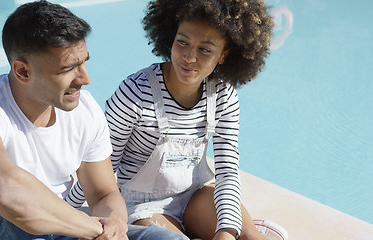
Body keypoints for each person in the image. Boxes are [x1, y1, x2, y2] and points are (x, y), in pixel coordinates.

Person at [0, 1, 190, 240]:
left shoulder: (85, 109)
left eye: (84, 63)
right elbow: (5, 192)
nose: (84, 78)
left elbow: (104, 192)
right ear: (23, 71)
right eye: (69, 68)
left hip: (65, 230)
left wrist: (112, 224)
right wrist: (93, 228)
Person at [67, 0, 288, 240]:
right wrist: (67, 211)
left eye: (205, 50)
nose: (189, 57)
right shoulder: (136, 91)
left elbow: (227, 172)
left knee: (250, 237)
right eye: (182, 42)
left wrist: (227, 230)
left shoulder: (223, 95)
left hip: (194, 196)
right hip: (140, 206)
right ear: (171, 37)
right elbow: (101, 166)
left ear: (224, 55)